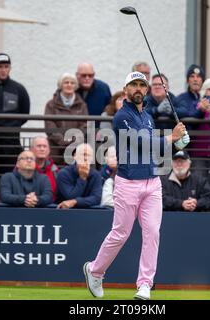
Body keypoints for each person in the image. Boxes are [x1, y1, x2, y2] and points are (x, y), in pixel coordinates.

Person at [83, 71, 188, 300]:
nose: (138, 88)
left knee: (152, 234)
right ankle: (95, 270)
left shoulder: (148, 117)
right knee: (121, 233)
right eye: (134, 85)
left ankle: (144, 285)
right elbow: (141, 143)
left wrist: (179, 143)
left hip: (152, 183)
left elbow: (157, 150)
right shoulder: (121, 117)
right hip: (128, 183)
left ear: (147, 90)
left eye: (142, 85)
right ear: (126, 90)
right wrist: (171, 136)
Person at [0, 53, 30, 175]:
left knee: (10, 175)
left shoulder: (19, 88)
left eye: (6, 66)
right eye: (0, 66)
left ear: (10, 68)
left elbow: (25, 113)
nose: (3, 70)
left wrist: (11, 125)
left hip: (11, 141)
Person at [44, 73, 89, 164]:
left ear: (75, 86)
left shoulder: (82, 105)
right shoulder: (51, 104)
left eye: (72, 83)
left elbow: (84, 125)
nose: (69, 85)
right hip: (55, 148)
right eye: (66, 82)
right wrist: (63, 141)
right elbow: (49, 126)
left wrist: (73, 140)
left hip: (76, 148)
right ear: (61, 85)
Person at [56, 143, 102, 209]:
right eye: (83, 154)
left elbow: (96, 198)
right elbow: (70, 197)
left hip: (88, 214)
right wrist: (82, 178)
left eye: (89, 155)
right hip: (64, 214)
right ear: (75, 156)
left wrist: (76, 201)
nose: (86, 158)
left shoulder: (96, 175)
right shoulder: (63, 173)